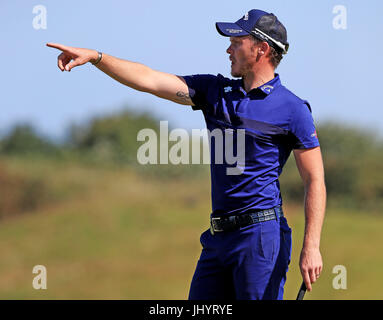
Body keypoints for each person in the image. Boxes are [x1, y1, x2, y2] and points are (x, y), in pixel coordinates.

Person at [47, 9, 326, 300]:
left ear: (261, 48)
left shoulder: (293, 109)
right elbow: (149, 79)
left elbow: (315, 180)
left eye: (236, 42)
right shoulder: (214, 91)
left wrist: (312, 246)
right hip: (218, 238)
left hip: (260, 237)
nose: (228, 48)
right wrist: (96, 57)